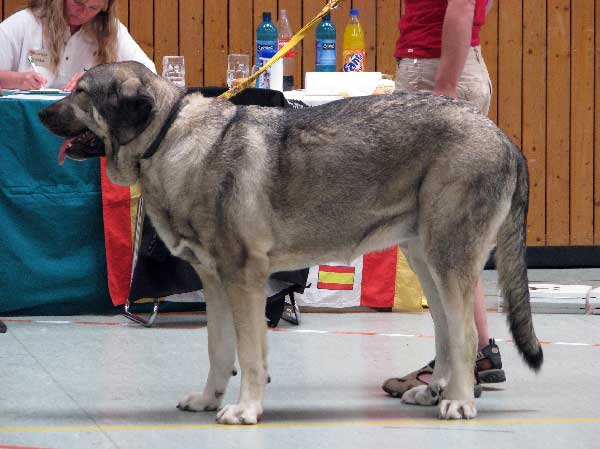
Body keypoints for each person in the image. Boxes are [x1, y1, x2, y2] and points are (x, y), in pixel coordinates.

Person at [382, 0, 506, 399]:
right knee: (453, 236)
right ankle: (477, 351)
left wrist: (444, 93)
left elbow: (462, 7)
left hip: (435, 73)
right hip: (442, 67)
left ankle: (456, 361)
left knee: (429, 240)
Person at [0, 0, 156, 91]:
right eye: (77, 2)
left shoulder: (110, 30)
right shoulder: (25, 23)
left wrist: (102, 78)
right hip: (26, 124)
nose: (82, 12)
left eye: (93, 8)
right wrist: (17, 80)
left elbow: (148, 72)